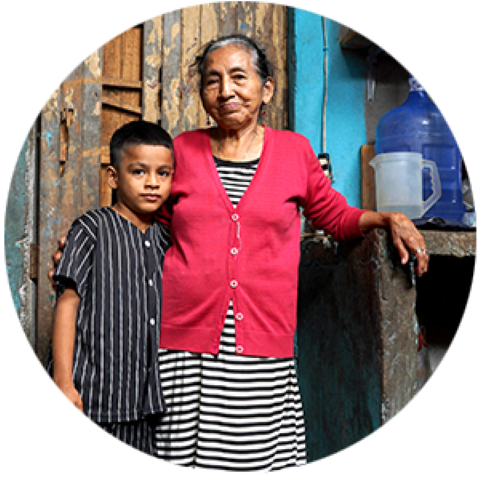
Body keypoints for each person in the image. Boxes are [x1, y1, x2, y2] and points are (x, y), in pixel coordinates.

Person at [50, 35, 429, 472]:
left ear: (266, 88)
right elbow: (148, 219)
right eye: (212, 81)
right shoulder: (182, 151)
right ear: (203, 94)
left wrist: (387, 219)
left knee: (249, 460)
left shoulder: (294, 152)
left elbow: (335, 216)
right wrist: (87, 243)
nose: (225, 90)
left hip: (261, 345)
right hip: (182, 347)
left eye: (238, 77)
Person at [44, 120, 174, 457]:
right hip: (91, 399)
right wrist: (63, 382)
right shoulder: (91, 229)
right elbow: (67, 303)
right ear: (113, 177)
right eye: (139, 172)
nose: (152, 183)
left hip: (144, 409)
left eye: (163, 174)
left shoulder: (167, 240)